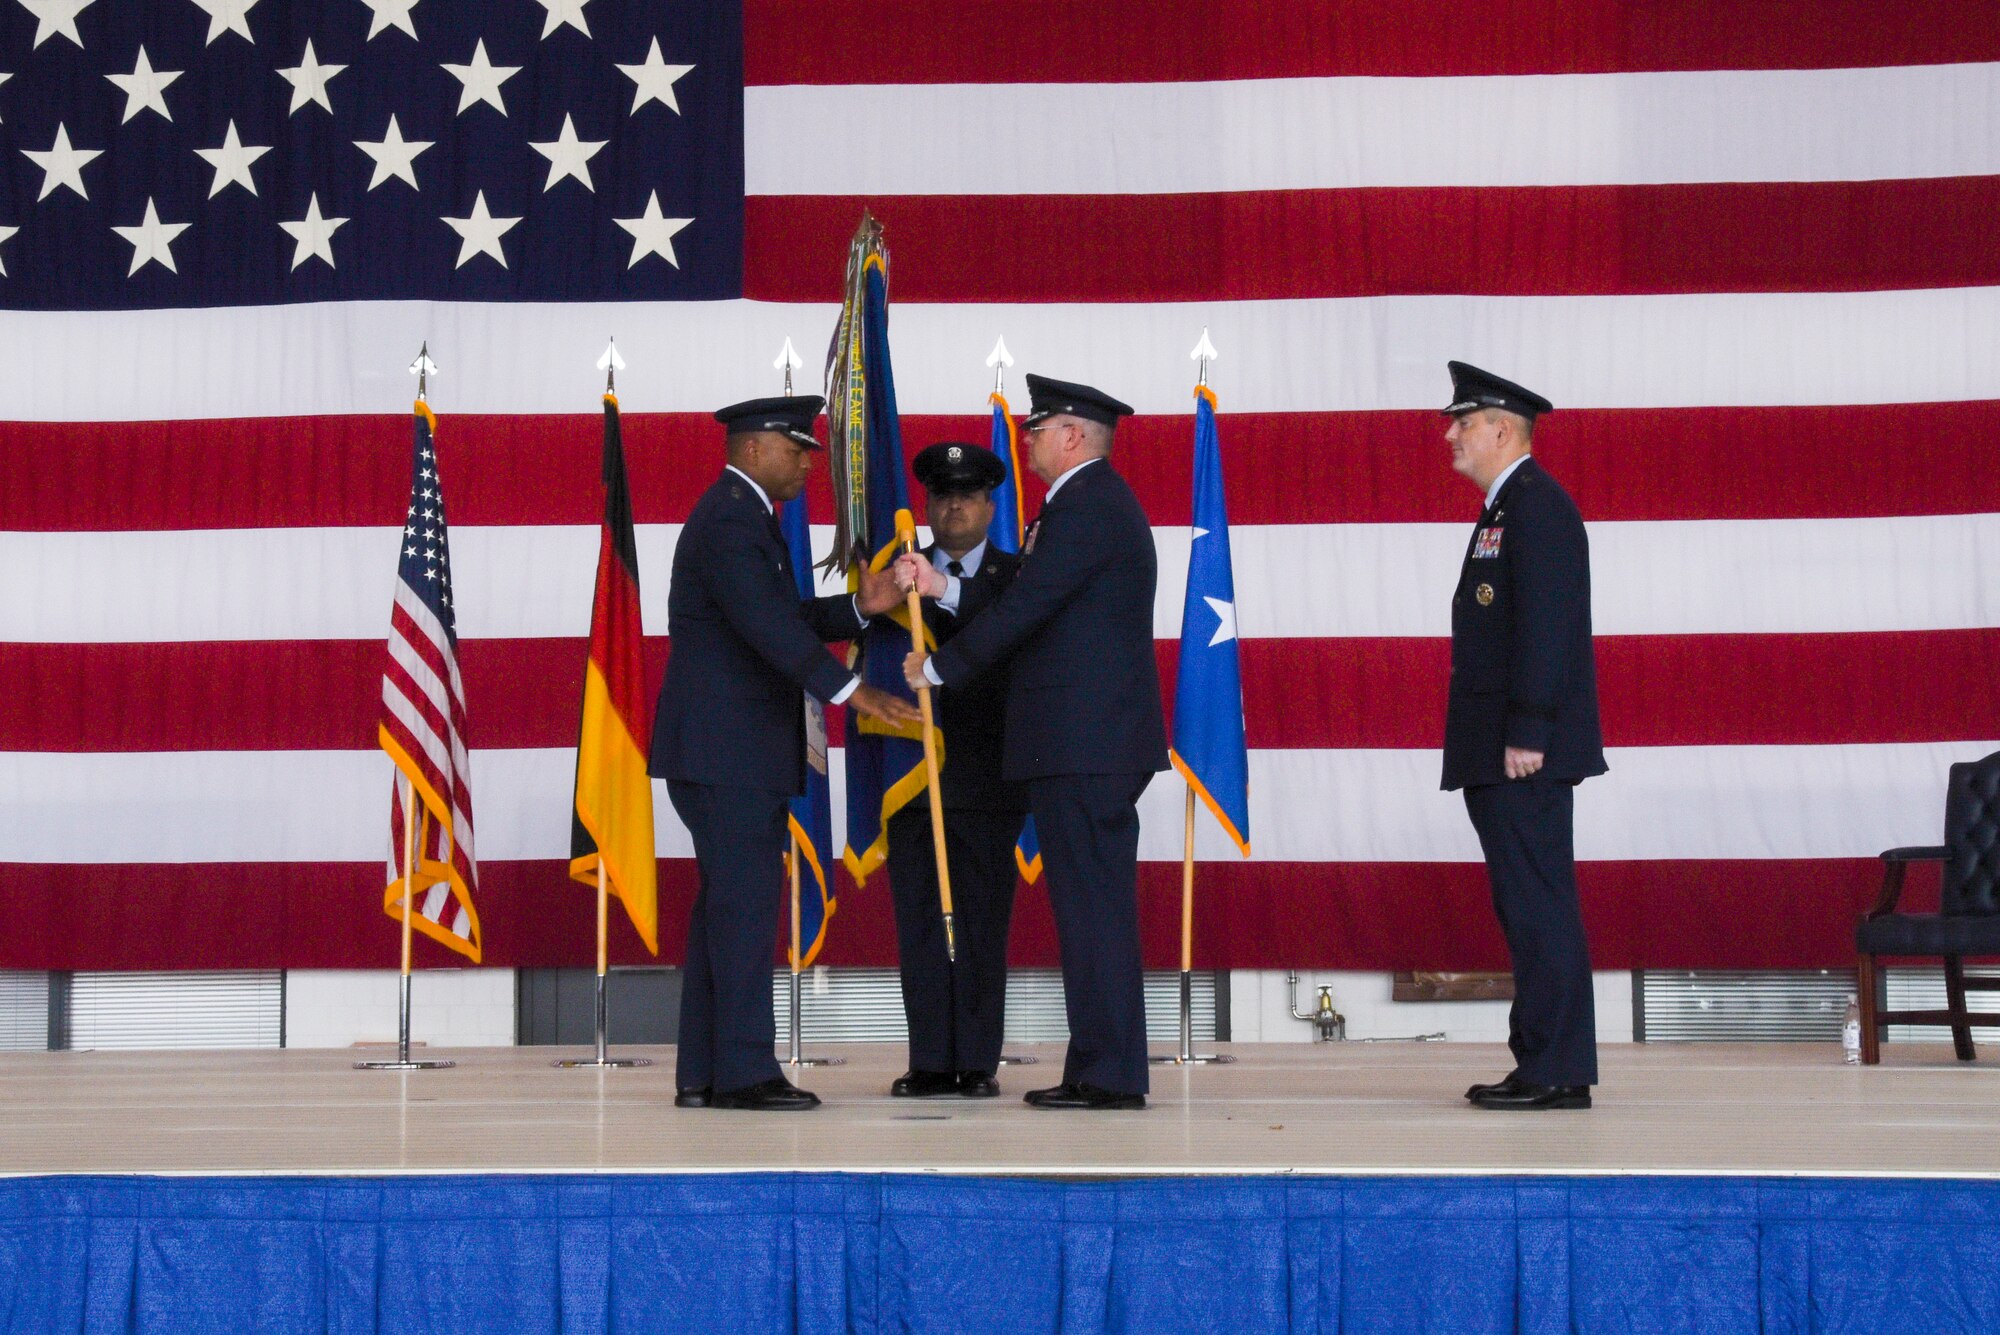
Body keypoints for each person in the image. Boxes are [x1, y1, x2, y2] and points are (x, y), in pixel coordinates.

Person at [899, 375, 1165, 1111]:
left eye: (1039, 427)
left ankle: (1109, 1073)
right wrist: (943, 589)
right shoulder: (1080, 505)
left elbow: (1029, 605)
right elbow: (1027, 598)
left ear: (1073, 435)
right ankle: (1097, 1065)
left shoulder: (1089, 505)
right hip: (1080, 742)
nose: (1028, 438)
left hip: (1087, 743)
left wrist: (943, 665)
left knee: (1096, 913)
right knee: (1085, 913)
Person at [649, 395, 918, 1112]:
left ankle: (705, 1071)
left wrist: (865, 604)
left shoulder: (742, 517)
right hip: (724, 753)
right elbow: (769, 629)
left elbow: (786, 617)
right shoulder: (731, 519)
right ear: (754, 445)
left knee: (725, 912)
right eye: (797, 446)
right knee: (742, 912)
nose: (808, 460)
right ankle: (743, 1073)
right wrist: (852, 690)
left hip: (722, 752)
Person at [1439, 361, 1607, 1112]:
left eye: (1464, 422)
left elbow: (1547, 627)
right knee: (1525, 905)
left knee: (1539, 903)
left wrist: (1530, 727)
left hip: (1522, 748)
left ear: (1502, 428)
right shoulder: (1508, 510)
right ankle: (1542, 1057)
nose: (1451, 435)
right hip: (1500, 743)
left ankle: (1558, 1067)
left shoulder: (1538, 509)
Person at [885, 442, 1027, 1100]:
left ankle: (976, 1059)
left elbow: (1009, 641)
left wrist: (942, 594)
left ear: (991, 505)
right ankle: (930, 1059)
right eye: (942, 495)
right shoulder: (896, 575)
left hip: (986, 777)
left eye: (968, 495)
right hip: (913, 780)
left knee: (978, 924)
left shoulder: (1015, 576)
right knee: (919, 925)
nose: (954, 505)